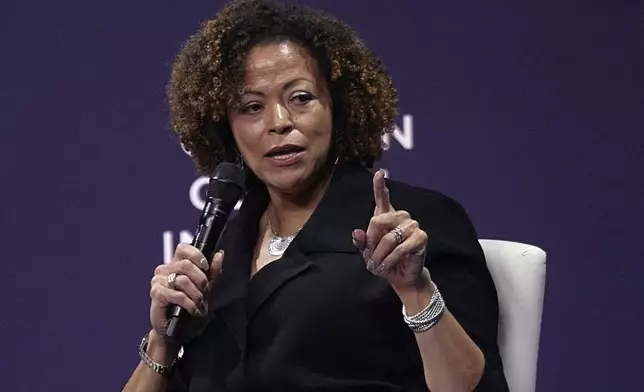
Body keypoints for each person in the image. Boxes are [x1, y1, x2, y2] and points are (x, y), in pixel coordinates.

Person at [123, 0, 509, 390]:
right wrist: (163, 341)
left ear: (338, 108)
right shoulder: (221, 254)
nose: (279, 122)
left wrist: (416, 290)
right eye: (252, 107)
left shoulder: (416, 224)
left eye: (301, 98)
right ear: (227, 129)